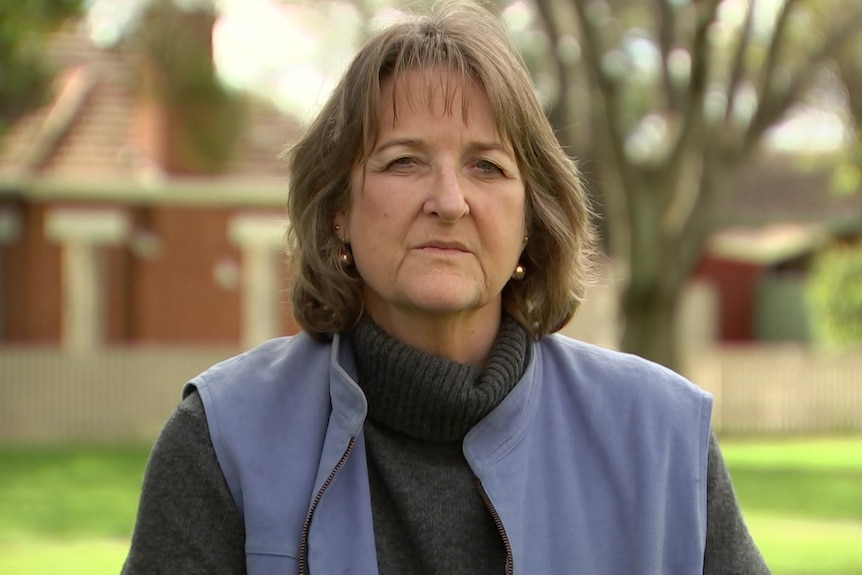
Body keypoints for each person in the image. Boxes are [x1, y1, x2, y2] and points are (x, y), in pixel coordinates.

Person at [122, 1, 770, 574]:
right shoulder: (223, 437)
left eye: (486, 166)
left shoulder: (662, 440)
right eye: (404, 161)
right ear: (338, 208)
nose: (450, 201)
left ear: (531, 219)